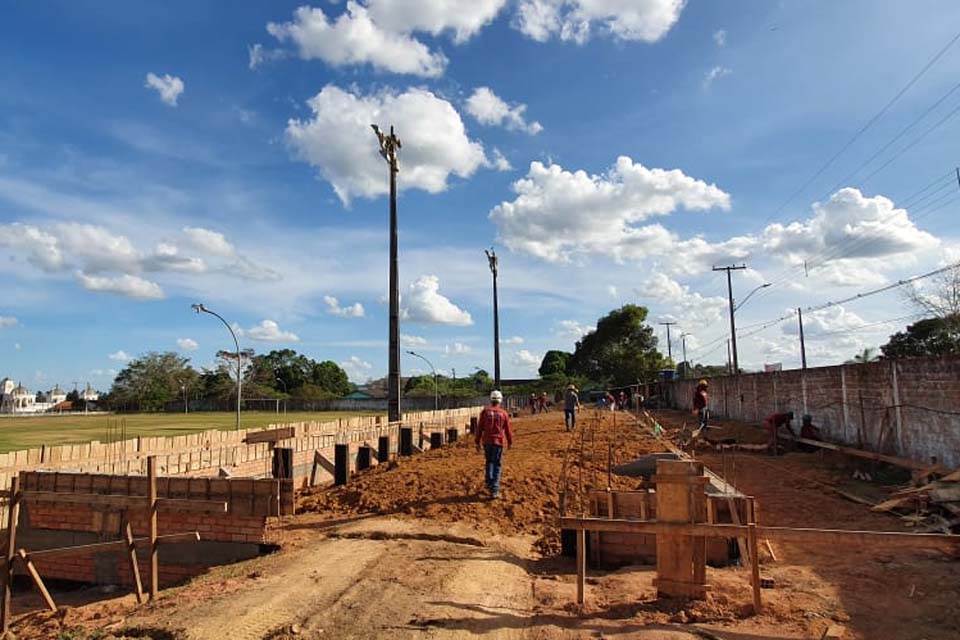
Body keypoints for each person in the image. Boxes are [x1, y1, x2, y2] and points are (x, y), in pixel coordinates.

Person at [476, 390, 513, 499]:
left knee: (489, 462)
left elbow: (479, 428)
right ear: (500, 400)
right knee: (497, 464)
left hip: (487, 442)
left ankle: (489, 482)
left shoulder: (485, 412)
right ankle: (495, 489)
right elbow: (508, 430)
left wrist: (477, 442)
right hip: (498, 442)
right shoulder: (503, 413)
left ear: (491, 399)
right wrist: (510, 441)